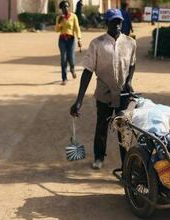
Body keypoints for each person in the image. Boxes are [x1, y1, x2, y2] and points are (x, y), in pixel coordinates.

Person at [69, 9, 137, 170]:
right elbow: (87, 72)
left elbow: (132, 64)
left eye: (119, 22)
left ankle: (125, 163)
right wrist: (78, 101)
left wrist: (129, 81)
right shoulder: (97, 43)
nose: (118, 25)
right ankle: (99, 157)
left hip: (123, 94)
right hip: (103, 93)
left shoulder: (130, 42)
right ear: (106, 23)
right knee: (102, 126)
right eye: (113, 22)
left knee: (124, 128)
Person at [55, 0, 82, 85]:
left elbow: (77, 28)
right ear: (61, 9)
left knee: (71, 58)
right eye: (64, 7)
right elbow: (57, 30)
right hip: (62, 40)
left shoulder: (73, 16)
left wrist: (79, 39)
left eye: (67, 6)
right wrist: (59, 22)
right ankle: (64, 78)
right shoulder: (59, 18)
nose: (66, 8)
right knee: (63, 59)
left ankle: (72, 69)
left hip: (71, 39)